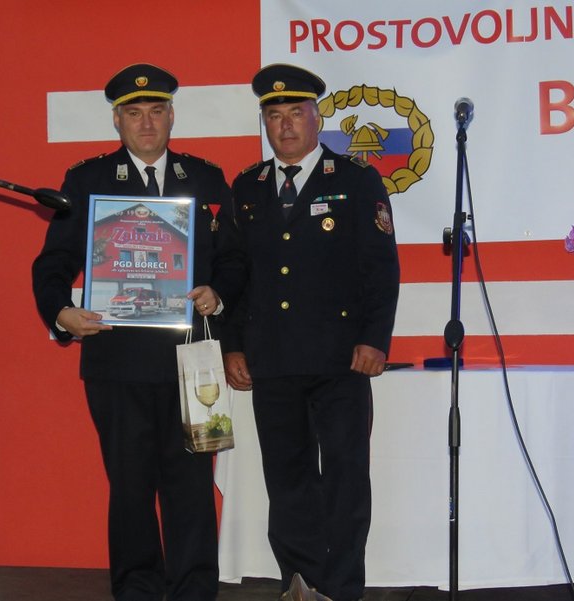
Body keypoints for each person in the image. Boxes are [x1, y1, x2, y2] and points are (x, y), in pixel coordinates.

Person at [32, 63, 245, 601]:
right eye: (134, 113)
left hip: (191, 359)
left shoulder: (206, 178)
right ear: (117, 121)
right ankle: (137, 590)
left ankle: (194, 589)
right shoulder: (88, 181)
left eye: (156, 111)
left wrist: (218, 293)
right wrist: (62, 313)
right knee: (129, 486)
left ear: (171, 116)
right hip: (117, 360)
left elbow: (235, 259)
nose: (146, 123)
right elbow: (51, 264)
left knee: (190, 485)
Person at [222, 64, 400, 601]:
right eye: (274, 115)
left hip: (340, 358)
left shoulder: (355, 180)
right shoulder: (247, 187)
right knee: (288, 478)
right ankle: (299, 582)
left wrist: (375, 339)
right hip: (272, 358)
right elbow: (235, 274)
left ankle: (341, 588)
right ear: (264, 122)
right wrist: (233, 344)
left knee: (346, 478)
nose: (285, 125)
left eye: (295, 113)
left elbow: (380, 268)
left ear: (317, 118)